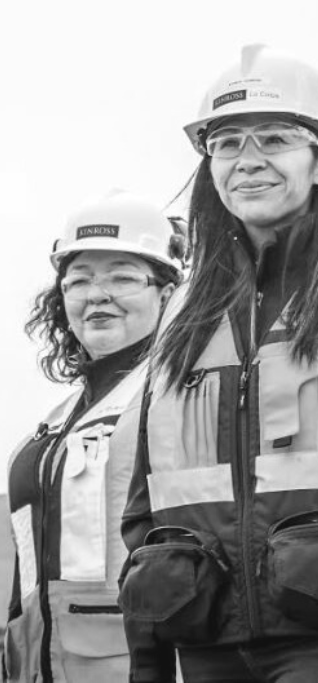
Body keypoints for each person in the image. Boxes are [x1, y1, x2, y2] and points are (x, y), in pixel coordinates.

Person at [119, 45, 318, 683]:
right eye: (226, 144)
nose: (247, 161)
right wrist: (147, 661)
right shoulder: (179, 319)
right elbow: (146, 504)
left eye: (275, 138)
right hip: (202, 630)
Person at [3, 191, 184, 683]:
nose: (96, 295)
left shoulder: (179, 392)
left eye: (122, 278)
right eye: (78, 281)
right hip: (44, 665)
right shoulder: (54, 423)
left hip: (141, 661)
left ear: (168, 293)